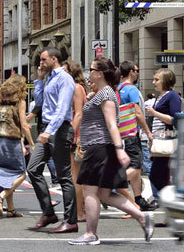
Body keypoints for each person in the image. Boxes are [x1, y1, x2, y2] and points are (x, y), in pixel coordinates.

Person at [68, 57, 154, 245]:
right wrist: (91, 98)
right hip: (102, 147)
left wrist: (118, 149)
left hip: (100, 147)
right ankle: (142, 217)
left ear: (99, 74)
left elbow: (111, 123)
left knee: (89, 190)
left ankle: (90, 234)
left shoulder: (106, 94)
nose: (88, 72)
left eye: (91, 69)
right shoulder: (103, 93)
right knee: (105, 193)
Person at [27, 47, 77, 233]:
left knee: (64, 176)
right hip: (47, 128)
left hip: (59, 129)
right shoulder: (50, 78)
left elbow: (62, 109)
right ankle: (48, 212)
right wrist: (39, 80)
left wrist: (49, 132)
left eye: (43, 60)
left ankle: (70, 220)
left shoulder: (65, 79)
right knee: (32, 168)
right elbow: (39, 103)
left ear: (54, 59)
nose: (40, 63)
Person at [0, 75, 34, 219]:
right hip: (12, 142)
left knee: (6, 174)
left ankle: (11, 209)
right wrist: (31, 143)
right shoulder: (20, 101)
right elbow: (24, 126)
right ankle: (1, 195)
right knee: (20, 173)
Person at [117, 61, 155, 212]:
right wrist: (148, 132)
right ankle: (111, 186)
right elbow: (138, 113)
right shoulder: (131, 89)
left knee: (133, 166)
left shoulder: (117, 89)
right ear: (131, 72)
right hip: (132, 133)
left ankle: (138, 199)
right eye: (136, 70)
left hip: (120, 134)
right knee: (136, 165)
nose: (138, 73)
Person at [144, 68, 181, 199]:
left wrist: (154, 113)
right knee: (160, 174)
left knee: (157, 174)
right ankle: (165, 202)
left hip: (166, 140)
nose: (154, 82)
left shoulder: (172, 96)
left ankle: (162, 201)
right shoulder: (160, 97)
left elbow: (174, 119)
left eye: (157, 79)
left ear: (165, 80)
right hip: (158, 140)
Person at [63, 60, 88, 223]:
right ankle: (81, 210)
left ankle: (80, 212)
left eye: (65, 71)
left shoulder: (76, 88)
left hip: (77, 136)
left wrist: (71, 134)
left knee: (75, 175)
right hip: (77, 134)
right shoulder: (74, 88)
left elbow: (78, 114)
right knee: (77, 175)